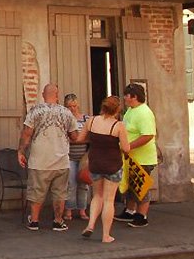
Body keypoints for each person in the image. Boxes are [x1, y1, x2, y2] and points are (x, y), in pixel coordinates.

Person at [18, 83, 79, 232]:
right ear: (57, 95)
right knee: (60, 193)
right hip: (61, 160)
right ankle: (58, 221)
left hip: (39, 160)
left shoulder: (35, 111)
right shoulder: (66, 112)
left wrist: (20, 151)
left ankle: (34, 221)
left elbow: (27, 133)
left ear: (43, 95)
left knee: (37, 192)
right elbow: (74, 136)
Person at [78, 96, 131, 243]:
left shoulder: (92, 121)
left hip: (95, 163)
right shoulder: (118, 126)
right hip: (112, 165)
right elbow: (126, 148)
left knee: (97, 196)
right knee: (109, 200)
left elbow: (80, 138)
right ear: (117, 110)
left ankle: (90, 225)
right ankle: (106, 235)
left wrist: (96, 140)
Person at [114, 83, 158, 228]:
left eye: (127, 95)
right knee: (131, 185)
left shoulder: (144, 113)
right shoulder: (131, 111)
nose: (125, 98)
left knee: (141, 186)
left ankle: (142, 216)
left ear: (134, 97)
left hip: (143, 158)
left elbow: (148, 135)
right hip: (130, 157)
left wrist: (129, 146)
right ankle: (130, 210)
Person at [62, 93, 90, 222]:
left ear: (77, 105)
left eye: (74, 105)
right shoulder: (63, 120)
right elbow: (64, 139)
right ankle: (69, 209)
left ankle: (82, 209)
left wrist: (76, 139)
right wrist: (80, 138)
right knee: (71, 183)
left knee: (83, 183)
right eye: (69, 106)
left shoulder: (85, 119)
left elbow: (90, 138)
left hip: (83, 156)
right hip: (69, 156)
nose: (72, 108)